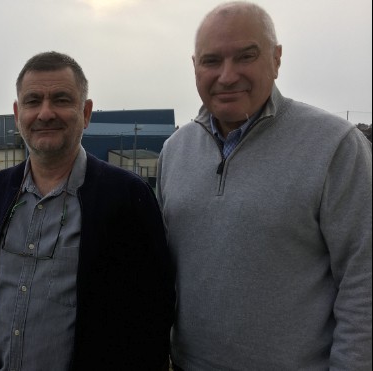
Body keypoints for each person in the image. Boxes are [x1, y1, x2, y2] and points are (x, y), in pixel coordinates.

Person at [156, 2, 372, 370]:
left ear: (276, 59)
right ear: (195, 67)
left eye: (246, 56)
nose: (227, 75)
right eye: (211, 61)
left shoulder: (335, 146)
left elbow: (363, 280)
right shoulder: (175, 152)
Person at [0, 51, 175, 370]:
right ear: (18, 113)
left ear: (85, 112)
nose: (45, 113)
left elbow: (152, 314)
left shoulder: (128, 197)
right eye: (33, 101)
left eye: (61, 99)